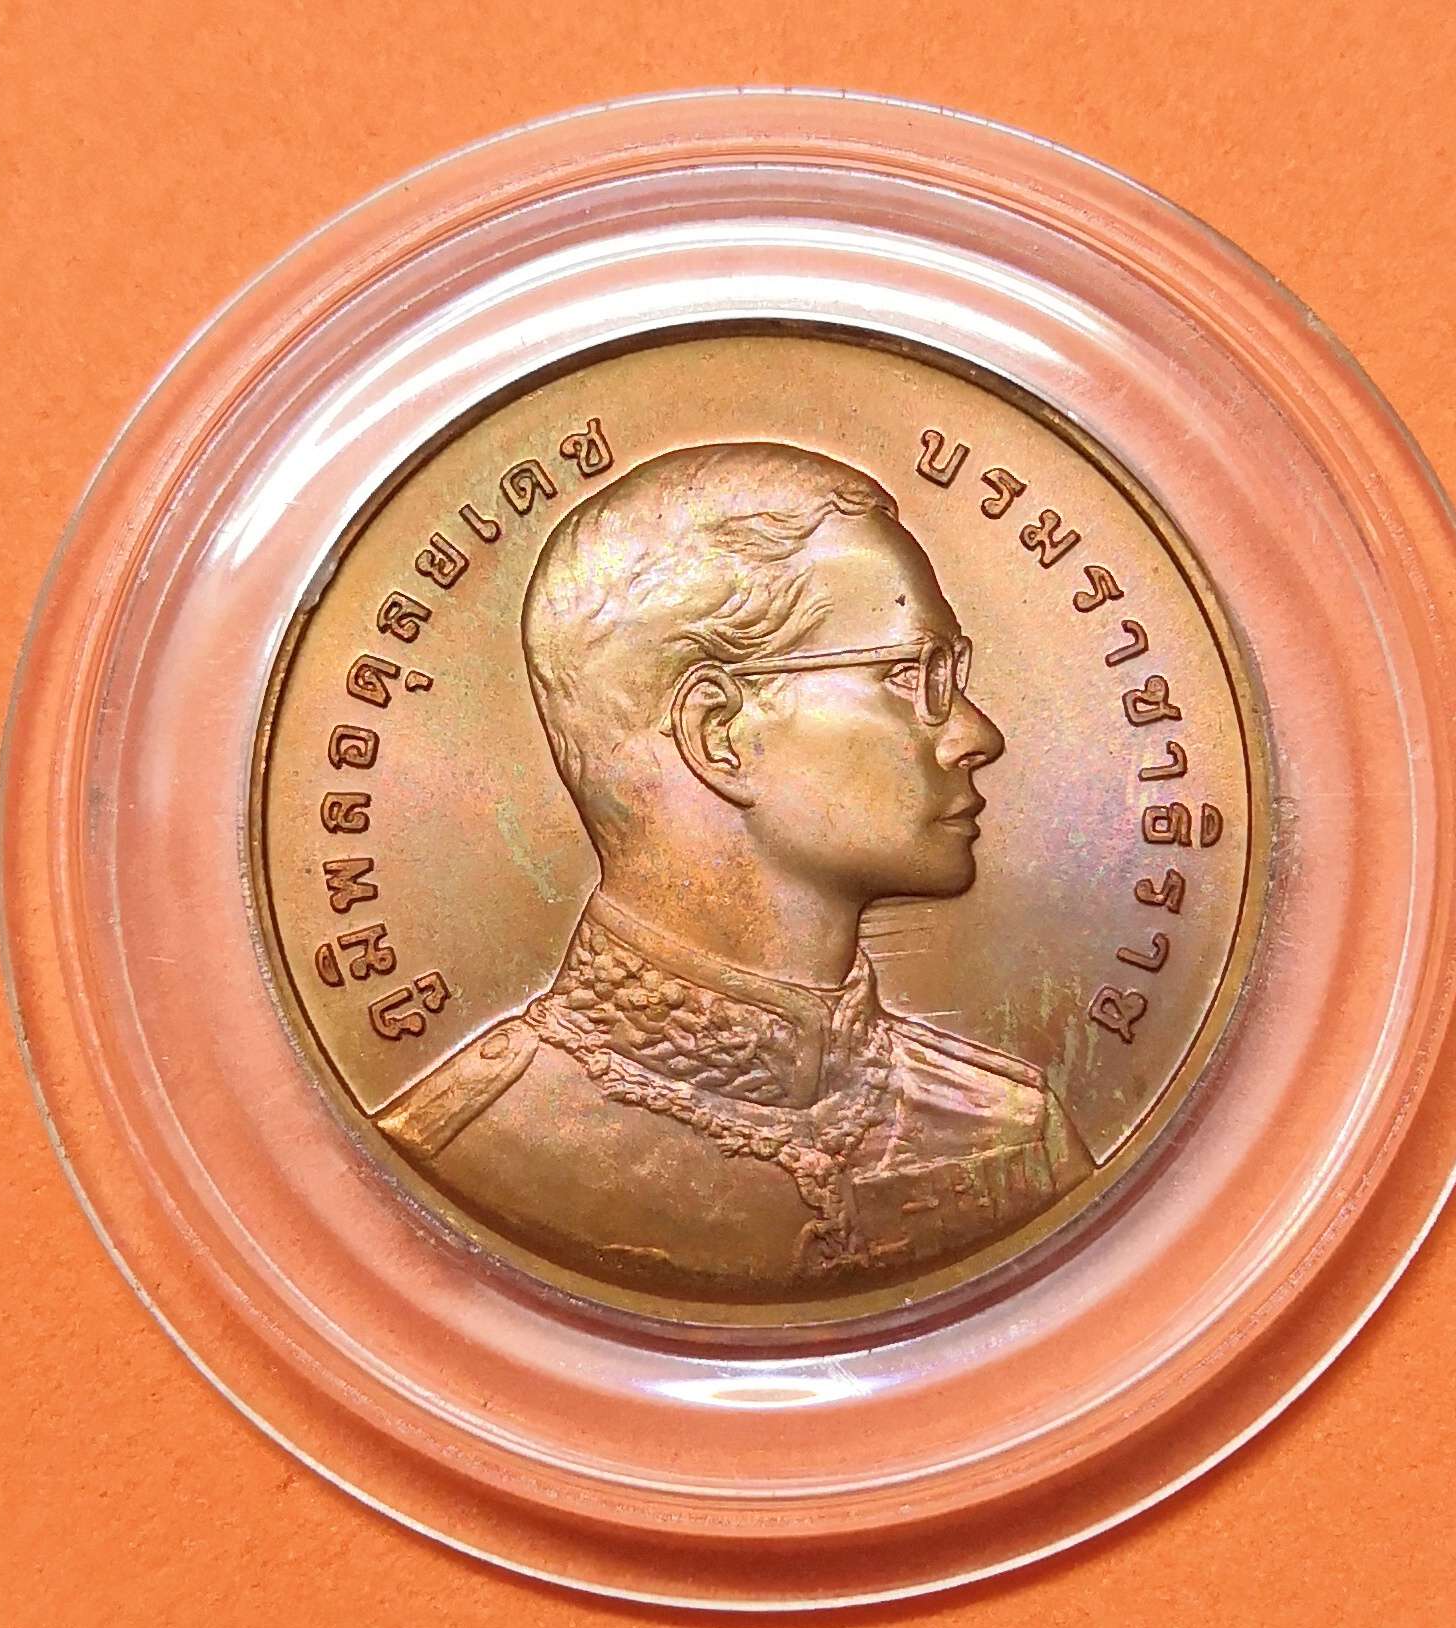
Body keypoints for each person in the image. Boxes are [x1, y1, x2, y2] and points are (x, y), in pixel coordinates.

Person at [376, 441, 1090, 1302]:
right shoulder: (473, 1146)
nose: (976, 734)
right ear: (718, 733)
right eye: (910, 676)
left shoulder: (1012, 1133)